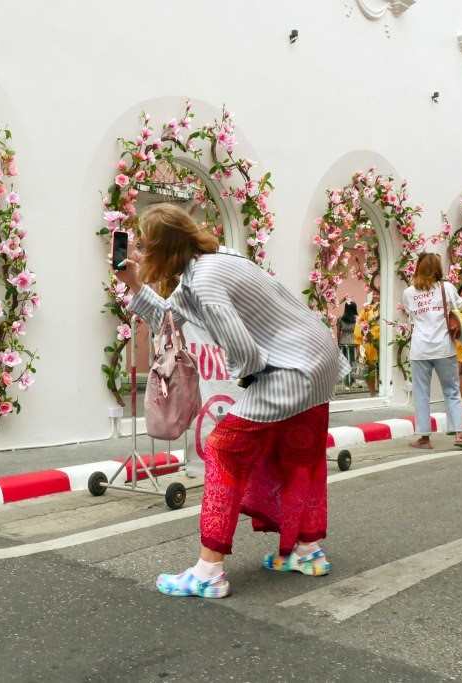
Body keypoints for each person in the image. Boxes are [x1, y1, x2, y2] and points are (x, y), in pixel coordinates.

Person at [114, 204, 347, 599]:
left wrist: (245, 376)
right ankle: (307, 551)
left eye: (143, 245)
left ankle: (208, 571)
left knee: (223, 450)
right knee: (299, 456)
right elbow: (170, 318)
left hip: (292, 369)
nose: (138, 251)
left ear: (161, 248)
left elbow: (245, 351)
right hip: (318, 357)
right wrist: (134, 284)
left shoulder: (203, 281)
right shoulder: (217, 260)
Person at [402, 253, 462, 450]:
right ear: (437, 269)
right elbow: (461, 305)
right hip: (444, 348)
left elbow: (410, 313)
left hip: (420, 349)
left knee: (421, 393)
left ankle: (424, 438)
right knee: (451, 391)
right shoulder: (447, 288)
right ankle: (459, 434)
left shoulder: (409, 292)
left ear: (418, 268)